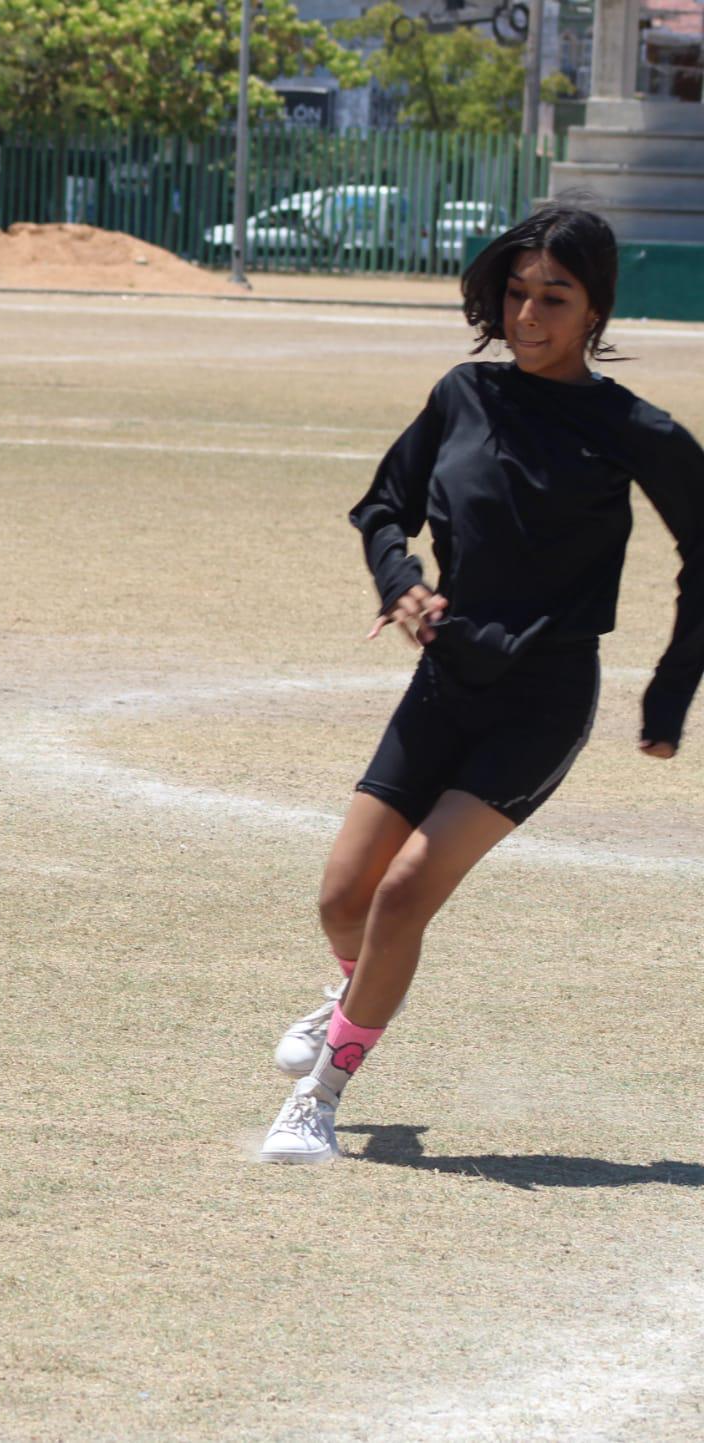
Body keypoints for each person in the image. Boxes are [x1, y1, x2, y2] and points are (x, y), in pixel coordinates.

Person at [258, 203, 704, 1164]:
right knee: (344, 898)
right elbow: (383, 505)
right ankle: (356, 997)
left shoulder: (635, 429)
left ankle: (322, 1095)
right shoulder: (463, 393)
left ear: (596, 312)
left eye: (556, 298)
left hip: (542, 699)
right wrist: (403, 583)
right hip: (446, 680)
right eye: (516, 294)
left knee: (404, 893)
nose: (530, 316)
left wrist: (669, 694)